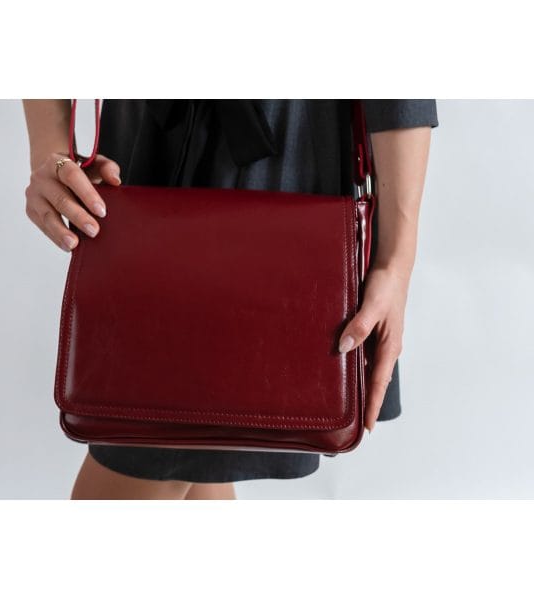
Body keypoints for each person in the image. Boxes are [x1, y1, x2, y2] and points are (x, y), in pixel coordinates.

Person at [22, 99, 438, 500]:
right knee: (189, 439)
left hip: (279, 156)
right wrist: (51, 150)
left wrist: (396, 264)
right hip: (141, 151)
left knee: (171, 439)